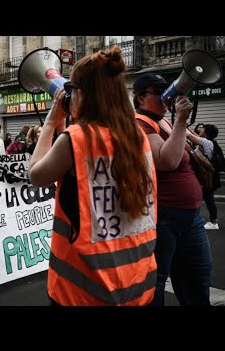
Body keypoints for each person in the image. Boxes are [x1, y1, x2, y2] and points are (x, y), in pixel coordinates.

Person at [28, 46, 158, 306]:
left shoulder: (77, 138)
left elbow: (36, 175)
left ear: (84, 94)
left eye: (73, 89)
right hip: (138, 282)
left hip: (84, 290)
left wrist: (53, 120)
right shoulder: (137, 136)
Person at [133, 72, 212, 306]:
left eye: (168, 91)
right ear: (140, 98)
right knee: (155, 282)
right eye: (158, 93)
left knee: (196, 275)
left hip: (190, 216)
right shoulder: (139, 124)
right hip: (163, 217)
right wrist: (180, 121)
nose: (166, 98)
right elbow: (167, 161)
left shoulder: (162, 121)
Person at [187, 124, 220, 230]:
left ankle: (213, 222)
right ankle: (208, 220)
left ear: (206, 132)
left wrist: (180, 123)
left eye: (203, 129)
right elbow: (193, 134)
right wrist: (188, 129)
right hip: (205, 175)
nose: (200, 129)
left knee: (206, 198)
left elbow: (190, 136)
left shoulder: (206, 142)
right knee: (205, 197)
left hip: (205, 176)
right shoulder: (208, 142)